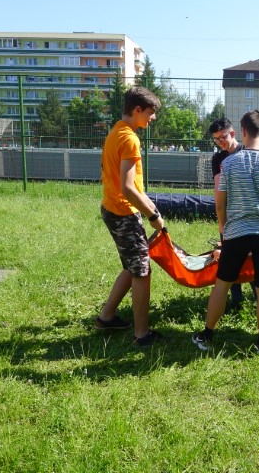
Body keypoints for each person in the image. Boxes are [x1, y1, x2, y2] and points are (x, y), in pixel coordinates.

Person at [192, 110, 259, 355]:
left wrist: (225, 227)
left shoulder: (228, 164)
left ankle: (207, 335)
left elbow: (220, 204)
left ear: (242, 132)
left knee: (222, 285)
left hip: (235, 233)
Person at [95, 86, 166, 347]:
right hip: (123, 213)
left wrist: (148, 205)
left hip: (112, 208)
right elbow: (127, 187)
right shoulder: (129, 139)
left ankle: (106, 317)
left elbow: (127, 183)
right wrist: (153, 215)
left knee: (131, 266)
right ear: (137, 110)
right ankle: (142, 334)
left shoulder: (116, 131)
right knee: (142, 272)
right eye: (150, 112)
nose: (153, 117)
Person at [208, 117, 255, 310]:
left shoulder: (248, 153)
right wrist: (222, 219)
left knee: (251, 257)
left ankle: (258, 297)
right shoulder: (218, 158)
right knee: (230, 257)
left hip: (247, 215)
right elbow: (218, 188)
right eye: (216, 139)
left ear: (233, 133)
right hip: (228, 216)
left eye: (223, 137)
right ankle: (236, 300)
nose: (220, 142)